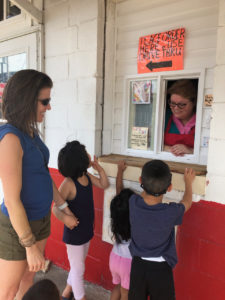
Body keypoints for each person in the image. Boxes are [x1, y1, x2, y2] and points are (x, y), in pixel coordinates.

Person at [0, 69, 78, 300]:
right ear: (26, 100)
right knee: (7, 290)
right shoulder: (10, 139)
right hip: (18, 229)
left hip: (41, 220)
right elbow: (12, 201)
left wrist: (62, 207)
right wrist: (29, 245)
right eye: (45, 101)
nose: (48, 107)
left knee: (28, 280)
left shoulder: (31, 132)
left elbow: (43, 174)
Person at [128, 160, 195, 300]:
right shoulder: (170, 212)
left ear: (140, 180)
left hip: (138, 266)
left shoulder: (133, 202)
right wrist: (188, 183)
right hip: (161, 270)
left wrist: (149, 185)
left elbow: (143, 196)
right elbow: (187, 202)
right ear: (169, 188)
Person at [52, 140, 109, 300]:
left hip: (86, 232)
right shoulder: (69, 183)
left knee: (77, 267)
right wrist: (66, 218)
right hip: (74, 235)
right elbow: (55, 207)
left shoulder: (86, 176)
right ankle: (80, 296)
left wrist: (99, 169)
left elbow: (104, 184)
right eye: (85, 153)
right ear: (80, 160)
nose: (88, 155)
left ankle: (66, 293)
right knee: (78, 269)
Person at [109, 161, 135, 300]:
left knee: (117, 288)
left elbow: (119, 192)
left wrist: (120, 171)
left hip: (114, 257)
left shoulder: (117, 216)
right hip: (128, 263)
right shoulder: (136, 222)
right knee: (126, 294)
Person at [164, 79, 197, 156]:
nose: (176, 108)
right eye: (172, 103)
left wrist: (191, 150)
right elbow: (152, 145)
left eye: (181, 104)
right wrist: (171, 149)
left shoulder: (203, 121)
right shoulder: (164, 117)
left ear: (194, 102)